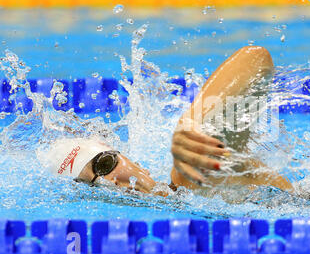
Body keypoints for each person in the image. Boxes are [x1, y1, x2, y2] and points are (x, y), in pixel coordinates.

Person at [42, 46, 293, 196]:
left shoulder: (192, 172)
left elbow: (256, 59)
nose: (110, 181)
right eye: (92, 186)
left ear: (130, 159)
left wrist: (191, 125)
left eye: (105, 164)